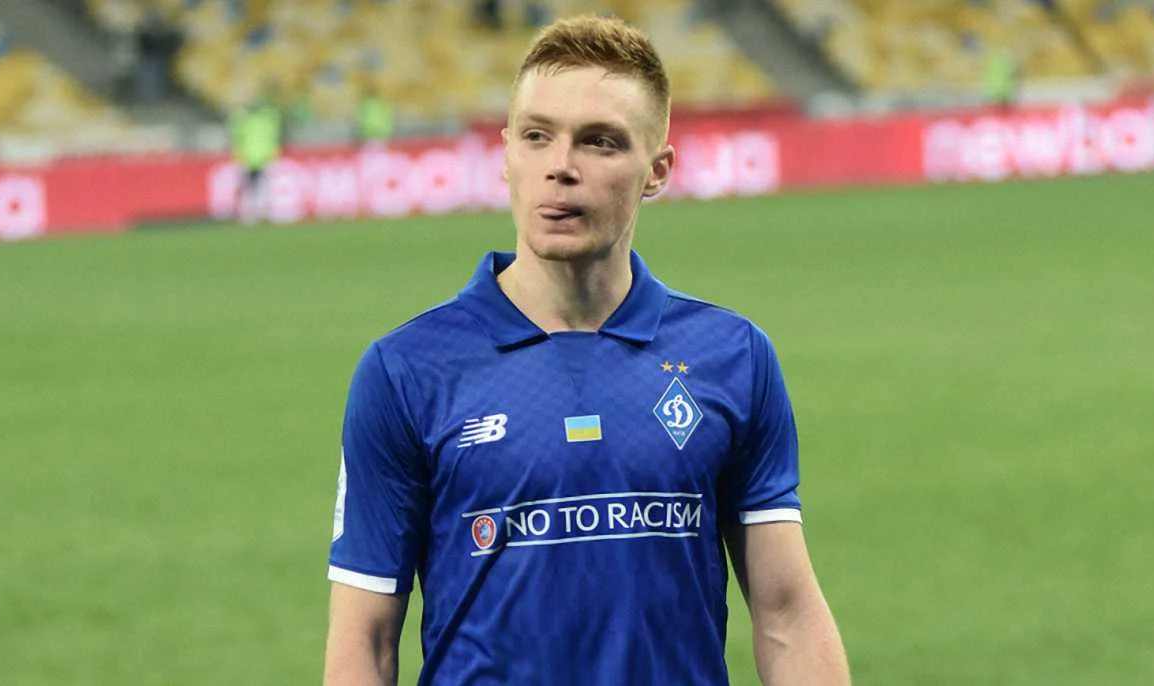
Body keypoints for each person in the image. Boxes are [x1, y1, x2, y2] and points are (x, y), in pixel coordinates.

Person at [322, 15, 850, 686]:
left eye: (599, 142)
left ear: (657, 171)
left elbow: (787, 615)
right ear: (506, 154)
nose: (561, 167)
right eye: (537, 136)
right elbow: (364, 641)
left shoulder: (732, 356)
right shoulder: (406, 371)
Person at [228, 90, 282, 224]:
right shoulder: (252, 118)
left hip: (261, 156)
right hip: (251, 157)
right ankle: (252, 214)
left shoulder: (265, 117)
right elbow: (236, 137)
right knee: (252, 187)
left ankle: (260, 214)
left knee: (260, 187)